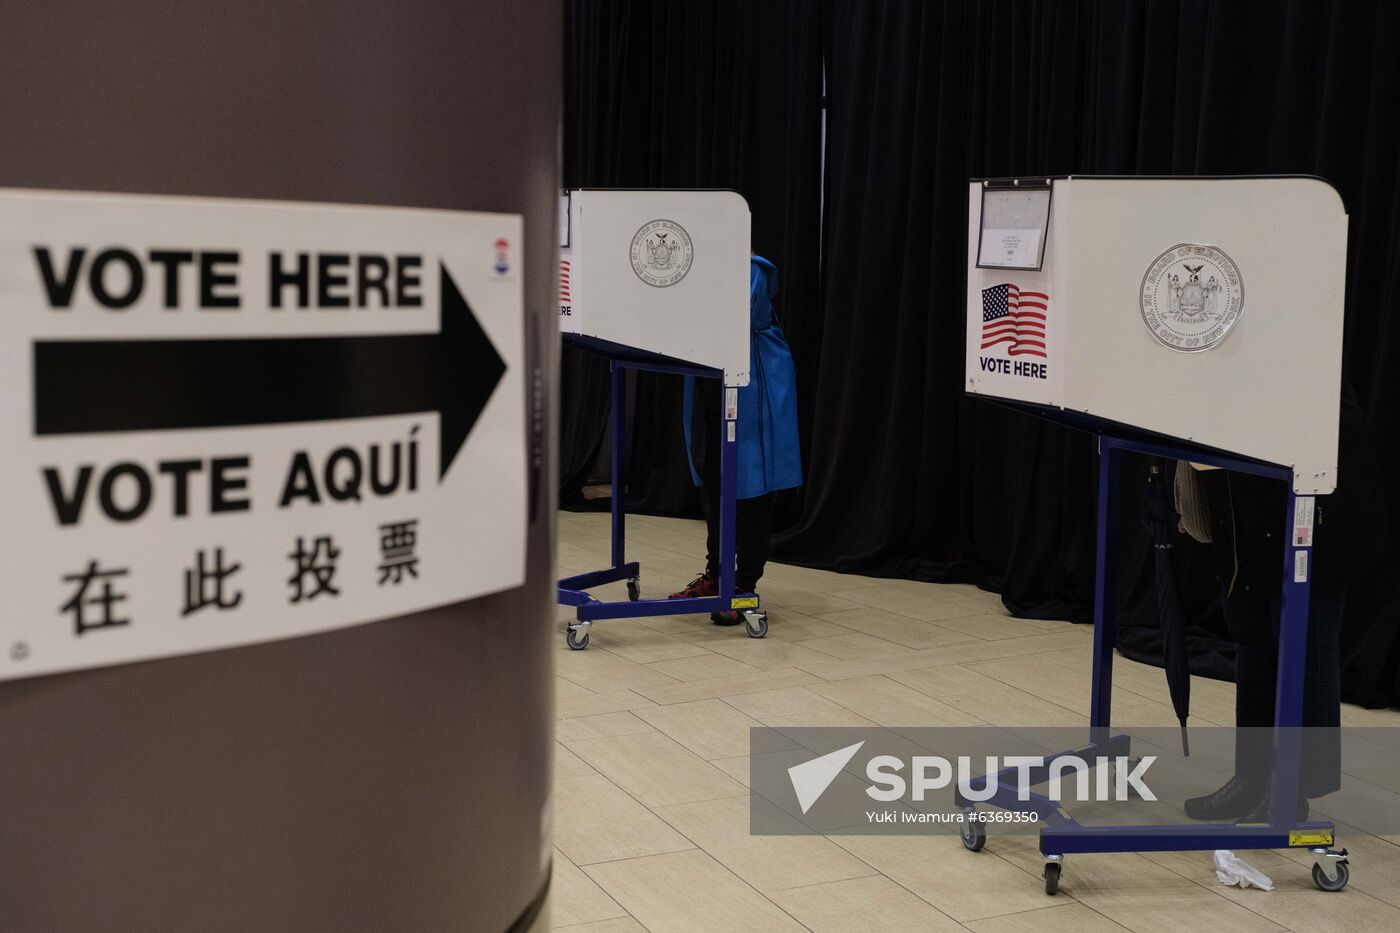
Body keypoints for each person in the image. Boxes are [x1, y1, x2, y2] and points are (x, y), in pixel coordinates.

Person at [1184, 383, 1382, 822]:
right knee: (1252, 644)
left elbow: (1344, 425)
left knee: (1306, 649)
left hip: (1313, 522)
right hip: (1245, 518)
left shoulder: (1308, 344)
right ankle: (1251, 776)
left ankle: (1292, 787)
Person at [668, 254, 801, 624]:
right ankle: (717, 575)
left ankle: (743, 585)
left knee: (750, 490)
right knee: (713, 487)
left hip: (751, 388)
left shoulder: (751, 267)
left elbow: (738, 316)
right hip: (711, 387)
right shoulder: (697, 265)